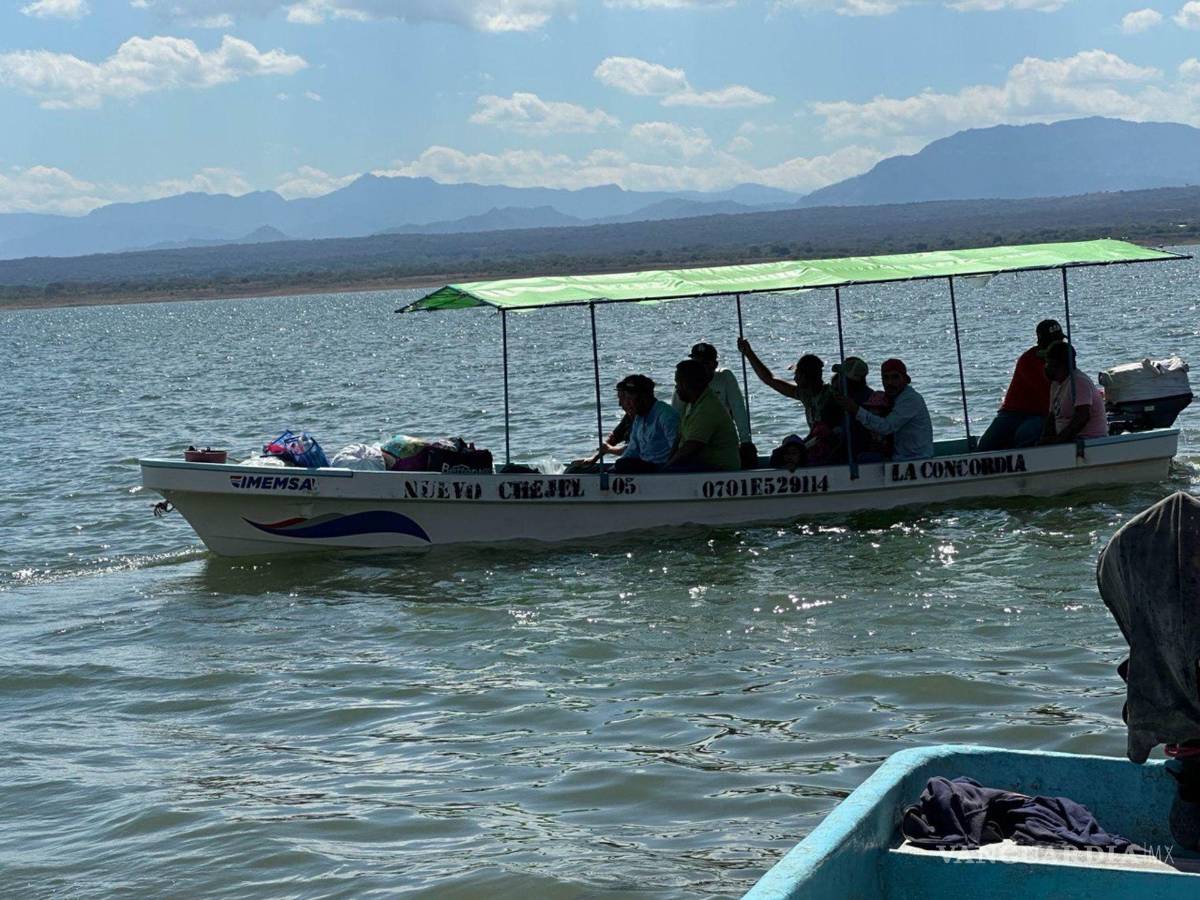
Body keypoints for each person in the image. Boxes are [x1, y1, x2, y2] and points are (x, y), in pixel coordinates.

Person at [978, 319, 1064, 451]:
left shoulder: (1065, 358)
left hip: (1042, 415)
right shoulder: (1028, 360)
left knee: (1025, 434)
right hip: (1013, 412)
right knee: (986, 445)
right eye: (1053, 342)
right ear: (1042, 343)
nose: (1058, 345)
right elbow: (1049, 388)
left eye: (1060, 341)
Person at [672, 342, 756, 468]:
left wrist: (746, 442)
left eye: (705, 363)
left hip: (715, 438)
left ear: (715, 364)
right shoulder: (685, 384)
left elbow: (739, 410)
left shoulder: (724, 378)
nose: (701, 367)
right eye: (696, 362)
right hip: (693, 435)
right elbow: (676, 416)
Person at [834, 358, 933, 461]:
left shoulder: (910, 399)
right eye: (886, 378)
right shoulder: (887, 398)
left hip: (915, 459)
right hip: (898, 456)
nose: (890, 382)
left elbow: (886, 426)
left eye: (895, 377)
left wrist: (856, 410)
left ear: (904, 379)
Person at [666, 359, 741, 471]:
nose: (676, 388)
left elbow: (691, 447)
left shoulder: (707, 408)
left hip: (721, 471)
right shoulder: (693, 405)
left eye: (678, 383)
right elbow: (680, 437)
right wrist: (667, 462)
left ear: (687, 384)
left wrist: (666, 470)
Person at [600, 374, 680, 473]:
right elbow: (632, 450)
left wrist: (665, 469)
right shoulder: (639, 418)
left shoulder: (666, 415)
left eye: (630, 399)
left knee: (623, 465)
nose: (627, 403)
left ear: (644, 398)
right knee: (619, 464)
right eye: (626, 399)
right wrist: (612, 469)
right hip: (645, 464)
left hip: (662, 467)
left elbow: (678, 450)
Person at [1039, 340, 1108, 444]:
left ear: (1059, 364)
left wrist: (1059, 442)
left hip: (1088, 440)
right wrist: (1044, 441)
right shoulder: (1056, 384)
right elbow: (1052, 417)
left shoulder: (1079, 382)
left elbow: (1082, 417)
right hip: (1068, 440)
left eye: (1048, 362)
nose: (1045, 366)